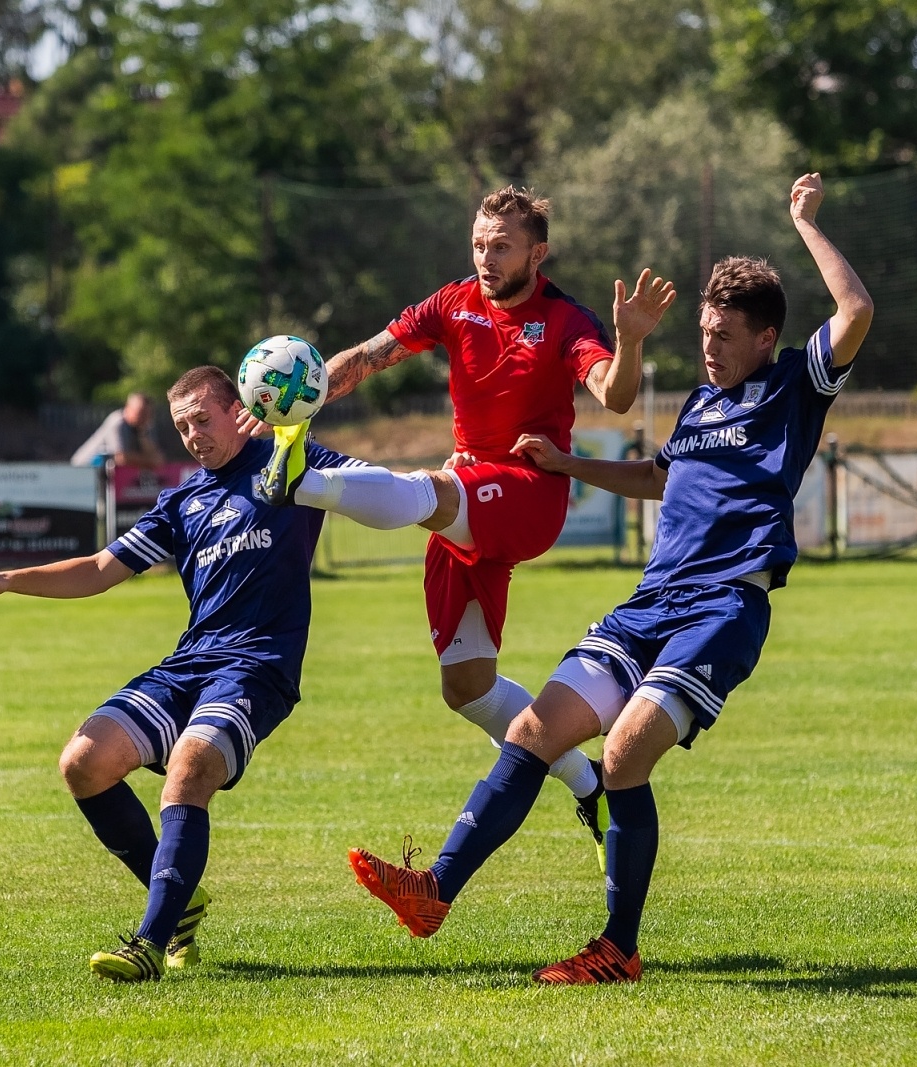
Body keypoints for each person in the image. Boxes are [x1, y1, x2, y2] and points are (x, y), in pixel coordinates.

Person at [345, 173, 874, 984]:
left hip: (723, 607)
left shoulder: (792, 387)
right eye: (703, 331)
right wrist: (568, 464)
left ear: (766, 337)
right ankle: (434, 891)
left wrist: (804, 222)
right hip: (651, 604)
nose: (709, 347)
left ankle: (617, 948)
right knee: (533, 730)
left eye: (725, 335)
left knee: (623, 754)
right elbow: (658, 478)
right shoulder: (699, 406)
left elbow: (856, 310)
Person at [246, 186, 676, 867]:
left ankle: (302, 484)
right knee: (468, 688)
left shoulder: (566, 319)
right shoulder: (452, 302)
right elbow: (369, 356)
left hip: (528, 491)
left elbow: (615, 397)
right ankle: (591, 787)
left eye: (501, 246)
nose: (485, 257)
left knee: (431, 491)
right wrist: (299, 398)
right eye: (478, 243)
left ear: (538, 252)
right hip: (469, 502)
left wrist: (629, 340)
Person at [0, 365, 364, 982]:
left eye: (203, 419)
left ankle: (150, 941)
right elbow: (100, 569)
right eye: (181, 427)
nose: (193, 435)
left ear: (239, 409)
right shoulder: (182, 501)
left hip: (257, 666)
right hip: (191, 662)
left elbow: (380, 489)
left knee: (188, 769)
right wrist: (9, 580)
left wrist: (449, 487)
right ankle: (180, 897)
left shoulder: (293, 465)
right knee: (83, 763)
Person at [72, 392, 165, 469]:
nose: (144, 418)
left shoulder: (144, 427)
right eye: (141, 413)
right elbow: (121, 458)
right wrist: (149, 461)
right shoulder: (118, 423)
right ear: (128, 408)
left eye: (147, 414)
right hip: (84, 469)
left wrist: (143, 436)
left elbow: (157, 459)